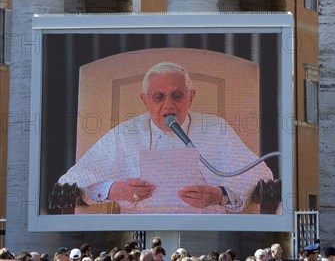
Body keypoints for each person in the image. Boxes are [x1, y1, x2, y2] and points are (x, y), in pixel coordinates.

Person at [58, 61, 274, 213]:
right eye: (159, 97)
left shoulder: (214, 128)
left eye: (177, 96)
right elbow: (72, 183)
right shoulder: (126, 133)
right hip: (141, 234)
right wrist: (114, 190)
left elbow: (259, 179)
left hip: (206, 232)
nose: (169, 105)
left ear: (191, 98)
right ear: (145, 100)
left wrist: (220, 195)